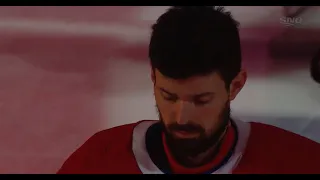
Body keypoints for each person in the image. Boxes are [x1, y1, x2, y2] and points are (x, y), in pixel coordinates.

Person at [57, 6, 320, 174]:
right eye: (168, 96)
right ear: (153, 79)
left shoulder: (299, 163)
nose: (181, 117)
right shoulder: (96, 161)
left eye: (201, 100)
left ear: (236, 85)